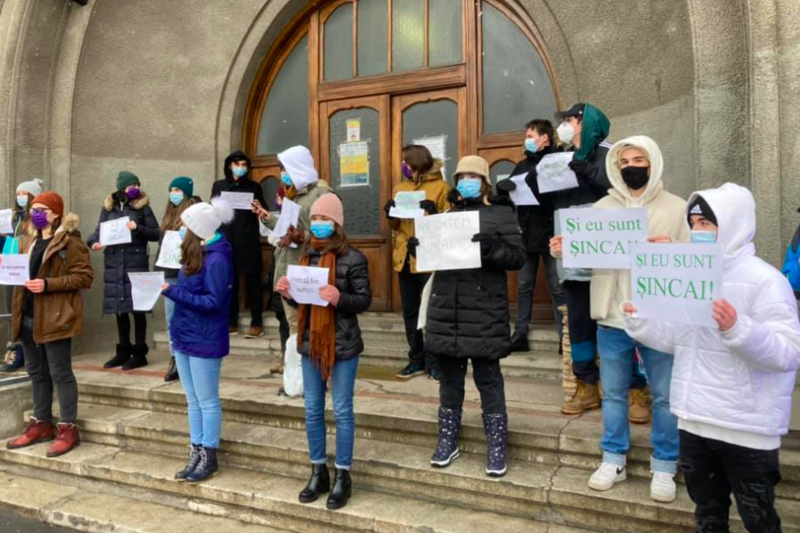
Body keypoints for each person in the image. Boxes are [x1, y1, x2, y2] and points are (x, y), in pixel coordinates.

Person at [624, 183, 800, 531]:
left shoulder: (765, 281)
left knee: (759, 519)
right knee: (707, 514)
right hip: (694, 419)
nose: (698, 230)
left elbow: (788, 353)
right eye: (694, 223)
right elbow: (675, 340)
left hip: (746, 429)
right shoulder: (689, 275)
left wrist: (738, 328)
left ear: (733, 223)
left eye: (707, 222)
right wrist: (639, 317)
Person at [551, 136, 688, 502]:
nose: (631, 165)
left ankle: (664, 464)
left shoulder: (677, 208)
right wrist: (566, 247)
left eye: (638, 158)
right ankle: (613, 457)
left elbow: (698, 261)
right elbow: (585, 254)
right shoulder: (601, 208)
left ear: (653, 161)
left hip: (659, 316)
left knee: (663, 396)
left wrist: (675, 250)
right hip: (613, 315)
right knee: (613, 393)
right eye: (624, 159)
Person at [418, 155, 526, 477]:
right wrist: (419, 248)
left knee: (488, 379)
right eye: (461, 176)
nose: (466, 181)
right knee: (449, 380)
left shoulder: (501, 214)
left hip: (483, 310)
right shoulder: (447, 215)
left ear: (484, 181)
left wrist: (493, 248)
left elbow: (518, 258)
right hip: (447, 308)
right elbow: (434, 260)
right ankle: (448, 439)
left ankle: (496, 445)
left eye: (473, 176)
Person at [550, 103, 649, 420]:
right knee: (579, 320)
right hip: (574, 247)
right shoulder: (561, 158)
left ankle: (636, 388)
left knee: (622, 318)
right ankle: (586, 384)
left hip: (610, 253)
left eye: (569, 119)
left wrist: (590, 173)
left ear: (585, 122)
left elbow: (625, 191)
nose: (564, 125)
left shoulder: (610, 154)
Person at [275, 193, 372, 510]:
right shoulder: (306, 255)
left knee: (342, 411)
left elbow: (364, 300)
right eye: (315, 219)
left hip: (342, 343)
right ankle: (318, 470)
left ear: (337, 223)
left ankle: (343, 474)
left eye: (325, 220)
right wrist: (288, 295)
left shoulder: (354, 258)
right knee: (312, 409)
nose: (318, 225)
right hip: (309, 343)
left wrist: (338, 298)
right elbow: (303, 300)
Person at [5, 191, 93, 457]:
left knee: (60, 372)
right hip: (29, 317)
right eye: (34, 209)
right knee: (36, 372)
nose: (36, 213)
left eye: (42, 209)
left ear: (56, 213)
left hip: (56, 317)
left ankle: (68, 428)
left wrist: (48, 284)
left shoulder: (69, 243)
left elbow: (84, 277)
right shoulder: (27, 241)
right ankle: (41, 423)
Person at [164, 198, 234, 484]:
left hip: (205, 338)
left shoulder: (217, 259)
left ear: (198, 229)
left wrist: (172, 292)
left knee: (206, 400)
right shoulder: (197, 253)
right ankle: (195, 450)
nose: (180, 229)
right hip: (185, 334)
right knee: (192, 399)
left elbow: (215, 303)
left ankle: (209, 455)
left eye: (185, 225)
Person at [255, 146, 333, 375]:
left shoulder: (322, 194)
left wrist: (303, 236)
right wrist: (267, 219)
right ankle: (297, 376)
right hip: (288, 269)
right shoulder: (293, 194)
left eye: (285, 169)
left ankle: (316, 375)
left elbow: (330, 233)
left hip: (309, 271)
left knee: (312, 326)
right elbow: (286, 229)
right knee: (294, 327)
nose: (282, 174)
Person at [496, 120, 566, 352]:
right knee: (524, 287)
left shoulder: (558, 161)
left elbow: (560, 193)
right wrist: (503, 191)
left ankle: (563, 336)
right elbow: (512, 201)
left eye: (530, 135)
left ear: (544, 138)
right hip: (525, 235)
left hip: (551, 233)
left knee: (557, 286)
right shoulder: (523, 164)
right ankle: (520, 333)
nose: (526, 139)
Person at [384, 145, 450, 381]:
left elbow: (450, 222)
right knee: (410, 312)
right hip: (404, 258)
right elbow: (397, 226)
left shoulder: (441, 187)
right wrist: (390, 215)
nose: (402, 164)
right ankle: (416, 360)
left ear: (416, 162)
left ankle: (435, 363)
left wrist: (432, 212)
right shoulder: (401, 187)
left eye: (405, 160)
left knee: (430, 313)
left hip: (429, 258)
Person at [87, 171, 160, 370]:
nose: (135, 188)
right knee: (120, 309)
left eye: (137, 184)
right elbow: (98, 231)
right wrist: (93, 243)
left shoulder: (143, 207)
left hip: (135, 262)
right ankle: (123, 351)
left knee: (138, 309)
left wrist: (137, 228)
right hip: (114, 262)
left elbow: (156, 233)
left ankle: (139, 353)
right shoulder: (108, 207)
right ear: (122, 188)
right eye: (131, 185)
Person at [211, 150, 267, 339]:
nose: (241, 168)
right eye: (237, 164)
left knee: (254, 284)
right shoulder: (219, 186)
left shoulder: (254, 186)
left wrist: (259, 208)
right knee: (230, 284)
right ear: (229, 165)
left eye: (244, 165)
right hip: (228, 241)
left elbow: (264, 211)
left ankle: (257, 322)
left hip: (249, 240)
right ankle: (231, 322)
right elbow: (213, 213)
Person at [156, 176, 200, 382]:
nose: (174, 193)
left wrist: (189, 236)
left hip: (189, 272)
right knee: (170, 318)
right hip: (170, 273)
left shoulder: (195, 212)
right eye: (171, 189)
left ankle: (192, 356)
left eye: (178, 190)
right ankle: (175, 358)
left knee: (189, 315)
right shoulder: (168, 214)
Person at [0, 179, 41, 373]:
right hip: (10, 267)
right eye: (18, 193)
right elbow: (6, 246)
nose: (21, 197)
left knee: (28, 310)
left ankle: (30, 350)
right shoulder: (12, 218)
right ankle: (16, 350)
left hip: (29, 268)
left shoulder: (37, 217)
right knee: (12, 310)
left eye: (25, 193)